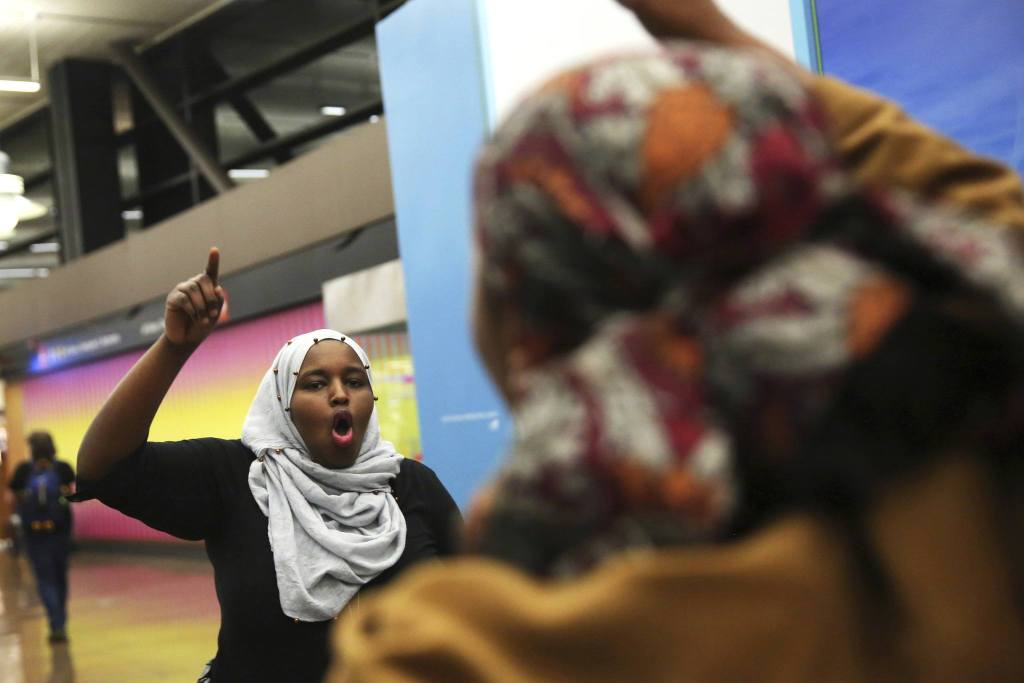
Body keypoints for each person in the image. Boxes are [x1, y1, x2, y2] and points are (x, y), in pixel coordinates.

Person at [329, 1, 1024, 681]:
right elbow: (993, 215)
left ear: (525, 326)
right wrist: (713, 32)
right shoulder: (987, 491)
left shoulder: (462, 654)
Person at [75, 248, 461, 682]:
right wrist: (173, 347)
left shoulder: (411, 485)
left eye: (354, 381)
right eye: (315, 383)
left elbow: (479, 602)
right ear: (282, 404)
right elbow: (103, 467)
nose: (339, 394)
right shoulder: (235, 475)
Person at [9, 431, 75, 643]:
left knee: (45, 579)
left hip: (35, 536)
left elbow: (15, 495)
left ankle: (55, 623)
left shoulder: (23, 471)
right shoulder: (63, 469)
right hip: (60, 534)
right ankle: (61, 620)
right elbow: (70, 496)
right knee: (60, 577)